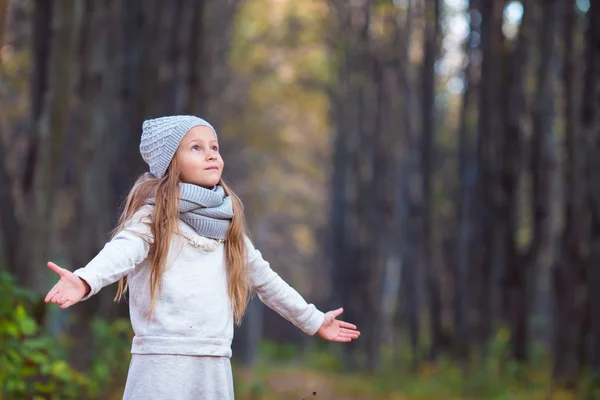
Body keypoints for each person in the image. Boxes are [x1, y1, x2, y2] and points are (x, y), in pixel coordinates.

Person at [44, 115, 360, 400]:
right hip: (161, 364)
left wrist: (313, 319)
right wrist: (86, 280)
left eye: (214, 147)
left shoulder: (229, 227)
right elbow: (122, 250)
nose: (211, 154)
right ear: (170, 162)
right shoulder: (154, 219)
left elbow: (267, 282)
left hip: (214, 363)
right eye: (196, 148)